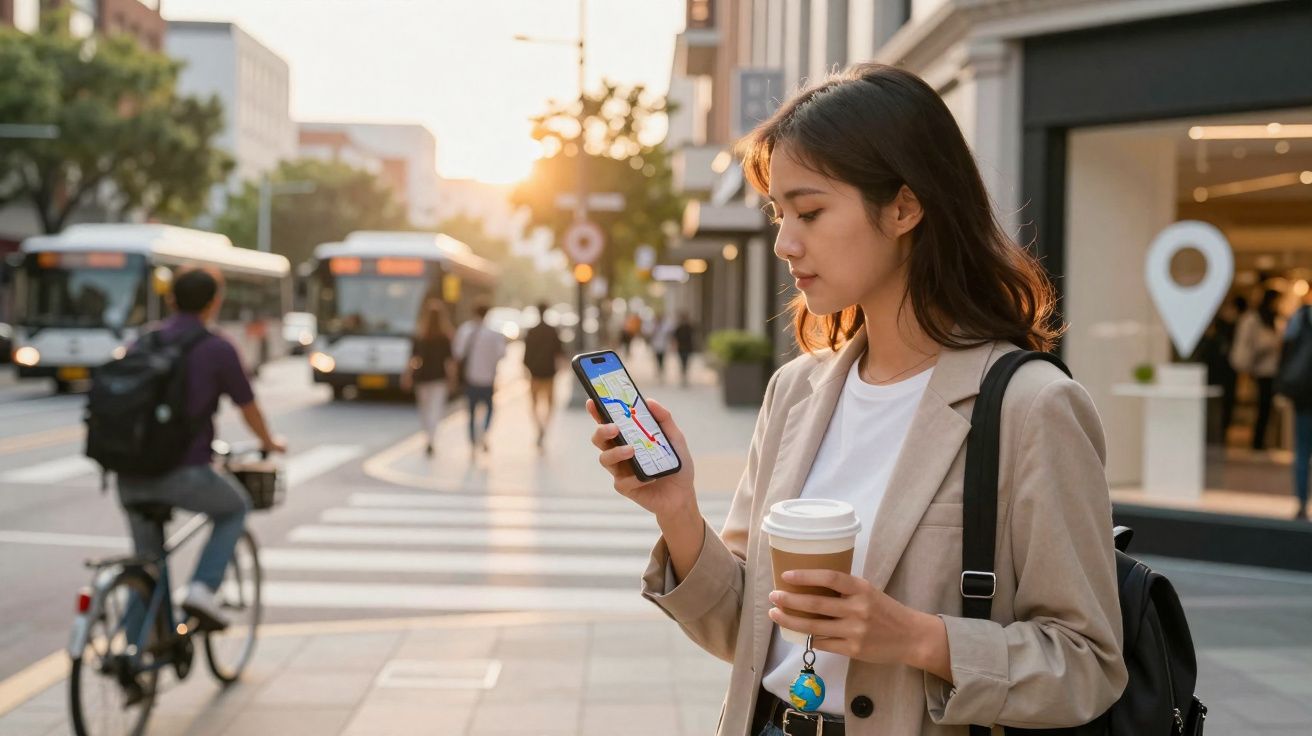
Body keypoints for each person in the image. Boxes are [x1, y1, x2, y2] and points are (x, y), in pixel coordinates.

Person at [588, 64, 1125, 736]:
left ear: (904, 207)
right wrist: (676, 511)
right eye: (779, 214)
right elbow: (742, 630)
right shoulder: (796, 392)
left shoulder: (1032, 406)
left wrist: (918, 638)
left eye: (809, 211)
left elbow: (1089, 664)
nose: (785, 243)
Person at [116, 268, 285, 630]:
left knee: (146, 563)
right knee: (235, 507)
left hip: (128, 473)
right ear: (214, 302)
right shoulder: (218, 348)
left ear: (171, 299)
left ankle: (134, 653)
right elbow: (248, 406)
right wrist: (269, 443)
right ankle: (202, 589)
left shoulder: (143, 341)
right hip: (184, 472)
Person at [402, 300, 457, 457]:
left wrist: (407, 376)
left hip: (423, 378)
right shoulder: (445, 337)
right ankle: (431, 439)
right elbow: (450, 362)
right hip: (439, 378)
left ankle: (428, 437)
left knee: (425, 410)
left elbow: (413, 360)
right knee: (435, 410)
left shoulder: (420, 335)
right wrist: (452, 379)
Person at [1231, 288, 1282, 450]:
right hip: (1261, 369)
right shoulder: (1255, 319)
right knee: (1263, 405)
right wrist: (1271, 343)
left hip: (1271, 369)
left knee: (1266, 407)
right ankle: (1258, 441)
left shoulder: (1272, 319)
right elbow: (1255, 344)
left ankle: (1261, 439)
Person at [454, 304, 507, 456]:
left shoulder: (465, 330)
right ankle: (483, 432)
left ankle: (472, 443)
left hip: (470, 378)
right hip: (488, 379)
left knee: (471, 412)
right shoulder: (494, 333)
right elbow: (502, 354)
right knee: (489, 409)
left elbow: (457, 353)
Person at [523, 301, 565, 449]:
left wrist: (528, 369)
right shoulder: (552, 331)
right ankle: (544, 428)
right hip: (549, 373)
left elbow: (526, 356)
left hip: (535, 374)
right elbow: (559, 351)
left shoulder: (531, 331)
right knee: (550, 403)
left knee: (534, 404)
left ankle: (539, 428)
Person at [647, 311, 675, 381]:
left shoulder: (666, 325)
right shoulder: (653, 325)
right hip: (656, 345)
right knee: (657, 358)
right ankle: (659, 369)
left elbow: (670, 334)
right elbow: (649, 334)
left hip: (664, 345)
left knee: (662, 358)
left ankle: (661, 369)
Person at [673, 312, 696, 387]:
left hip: (688, 348)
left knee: (686, 362)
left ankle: (685, 374)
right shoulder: (678, 328)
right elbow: (675, 338)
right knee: (682, 362)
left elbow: (694, 336)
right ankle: (683, 374)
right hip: (681, 348)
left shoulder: (689, 327)